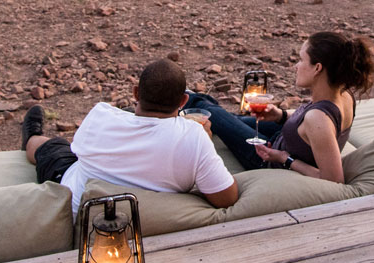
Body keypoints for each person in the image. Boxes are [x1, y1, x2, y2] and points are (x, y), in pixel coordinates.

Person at [22, 58, 239, 216]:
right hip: (141, 216)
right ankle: (32, 135)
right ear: (183, 101)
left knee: (54, 147)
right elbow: (227, 198)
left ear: (136, 93)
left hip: (78, 205)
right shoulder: (194, 137)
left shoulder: (101, 115)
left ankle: (32, 136)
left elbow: (78, 152)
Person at [184, 31, 374, 183]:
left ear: (318, 68)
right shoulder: (342, 93)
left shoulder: (318, 119)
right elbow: (310, 125)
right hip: (283, 138)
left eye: (301, 60)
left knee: (211, 112)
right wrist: (281, 115)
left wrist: (284, 158)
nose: (296, 66)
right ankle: (194, 101)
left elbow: (334, 179)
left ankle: (184, 98)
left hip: (267, 160)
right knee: (232, 118)